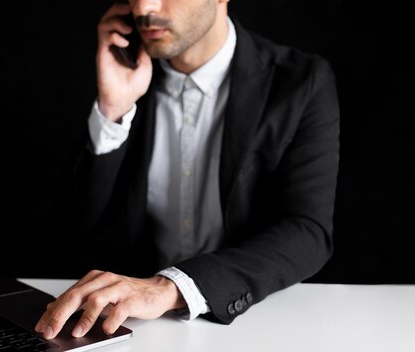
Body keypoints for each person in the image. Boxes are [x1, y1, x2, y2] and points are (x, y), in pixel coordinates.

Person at [35, 0, 340, 340]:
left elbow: (307, 231)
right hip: (129, 330)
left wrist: (170, 288)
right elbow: (74, 224)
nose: (143, 7)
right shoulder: (118, 69)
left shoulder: (300, 81)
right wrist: (113, 110)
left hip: (253, 327)